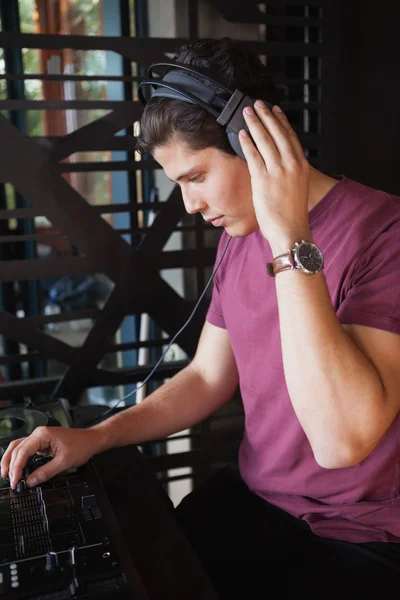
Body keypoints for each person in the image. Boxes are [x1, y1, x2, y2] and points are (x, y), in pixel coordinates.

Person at [2, 37, 400, 597]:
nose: (189, 205)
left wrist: (288, 235)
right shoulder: (238, 236)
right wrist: (97, 436)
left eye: (195, 177)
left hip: (360, 535)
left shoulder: (385, 235)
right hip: (257, 497)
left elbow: (341, 442)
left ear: (255, 143)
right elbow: (207, 377)